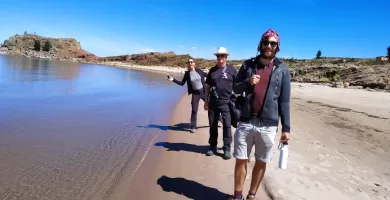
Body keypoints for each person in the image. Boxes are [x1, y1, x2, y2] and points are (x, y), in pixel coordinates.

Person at [229, 29, 291, 200]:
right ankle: (238, 195)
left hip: (268, 124)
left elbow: (284, 101)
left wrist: (286, 128)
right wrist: (248, 82)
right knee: (240, 159)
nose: (269, 46)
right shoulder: (248, 65)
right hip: (246, 120)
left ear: (277, 46)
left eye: (273, 43)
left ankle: (251, 195)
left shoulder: (283, 69)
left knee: (261, 161)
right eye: (266, 42)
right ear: (260, 44)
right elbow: (235, 88)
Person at [204, 47, 238, 160]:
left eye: (222, 56)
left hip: (226, 103)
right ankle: (212, 146)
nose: (220, 58)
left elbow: (238, 87)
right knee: (213, 125)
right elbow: (207, 87)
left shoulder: (232, 70)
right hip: (213, 103)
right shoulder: (212, 71)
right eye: (218, 56)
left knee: (227, 126)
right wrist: (206, 101)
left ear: (226, 57)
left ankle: (227, 148)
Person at [168, 58, 208, 133]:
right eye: (189, 62)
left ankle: (219, 118)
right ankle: (193, 127)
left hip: (203, 91)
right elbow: (182, 83)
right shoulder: (187, 74)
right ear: (188, 64)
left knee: (210, 106)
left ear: (194, 63)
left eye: (191, 62)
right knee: (194, 110)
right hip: (195, 93)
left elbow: (208, 76)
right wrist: (173, 80)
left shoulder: (199, 70)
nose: (190, 63)